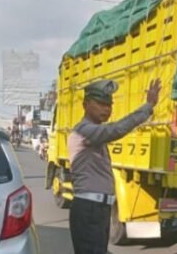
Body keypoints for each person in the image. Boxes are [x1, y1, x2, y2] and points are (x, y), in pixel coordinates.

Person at [68, 78, 161, 254]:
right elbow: (116, 129)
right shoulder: (83, 130)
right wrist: (147, 106)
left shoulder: (95, 133)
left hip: (98, 210)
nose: (106, 109)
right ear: (85, 104)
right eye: (101, 104)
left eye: (109, 105)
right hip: (89, 209)